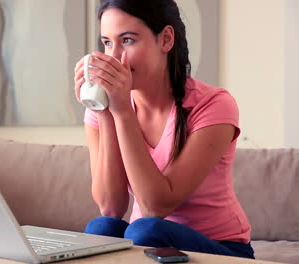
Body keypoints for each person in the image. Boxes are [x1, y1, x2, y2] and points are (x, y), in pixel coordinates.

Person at [73, 0, 254, 259]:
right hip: (147, 240)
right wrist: (105, 115)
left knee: (146, 230)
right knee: (101, 227)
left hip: (223, 251)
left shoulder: (214, 105)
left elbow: (155, 206)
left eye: (127, 40)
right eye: (107, 43)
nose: (113, 58)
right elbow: (110, 207)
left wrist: (123, 113)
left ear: (166, 40)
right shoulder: (106, 108)